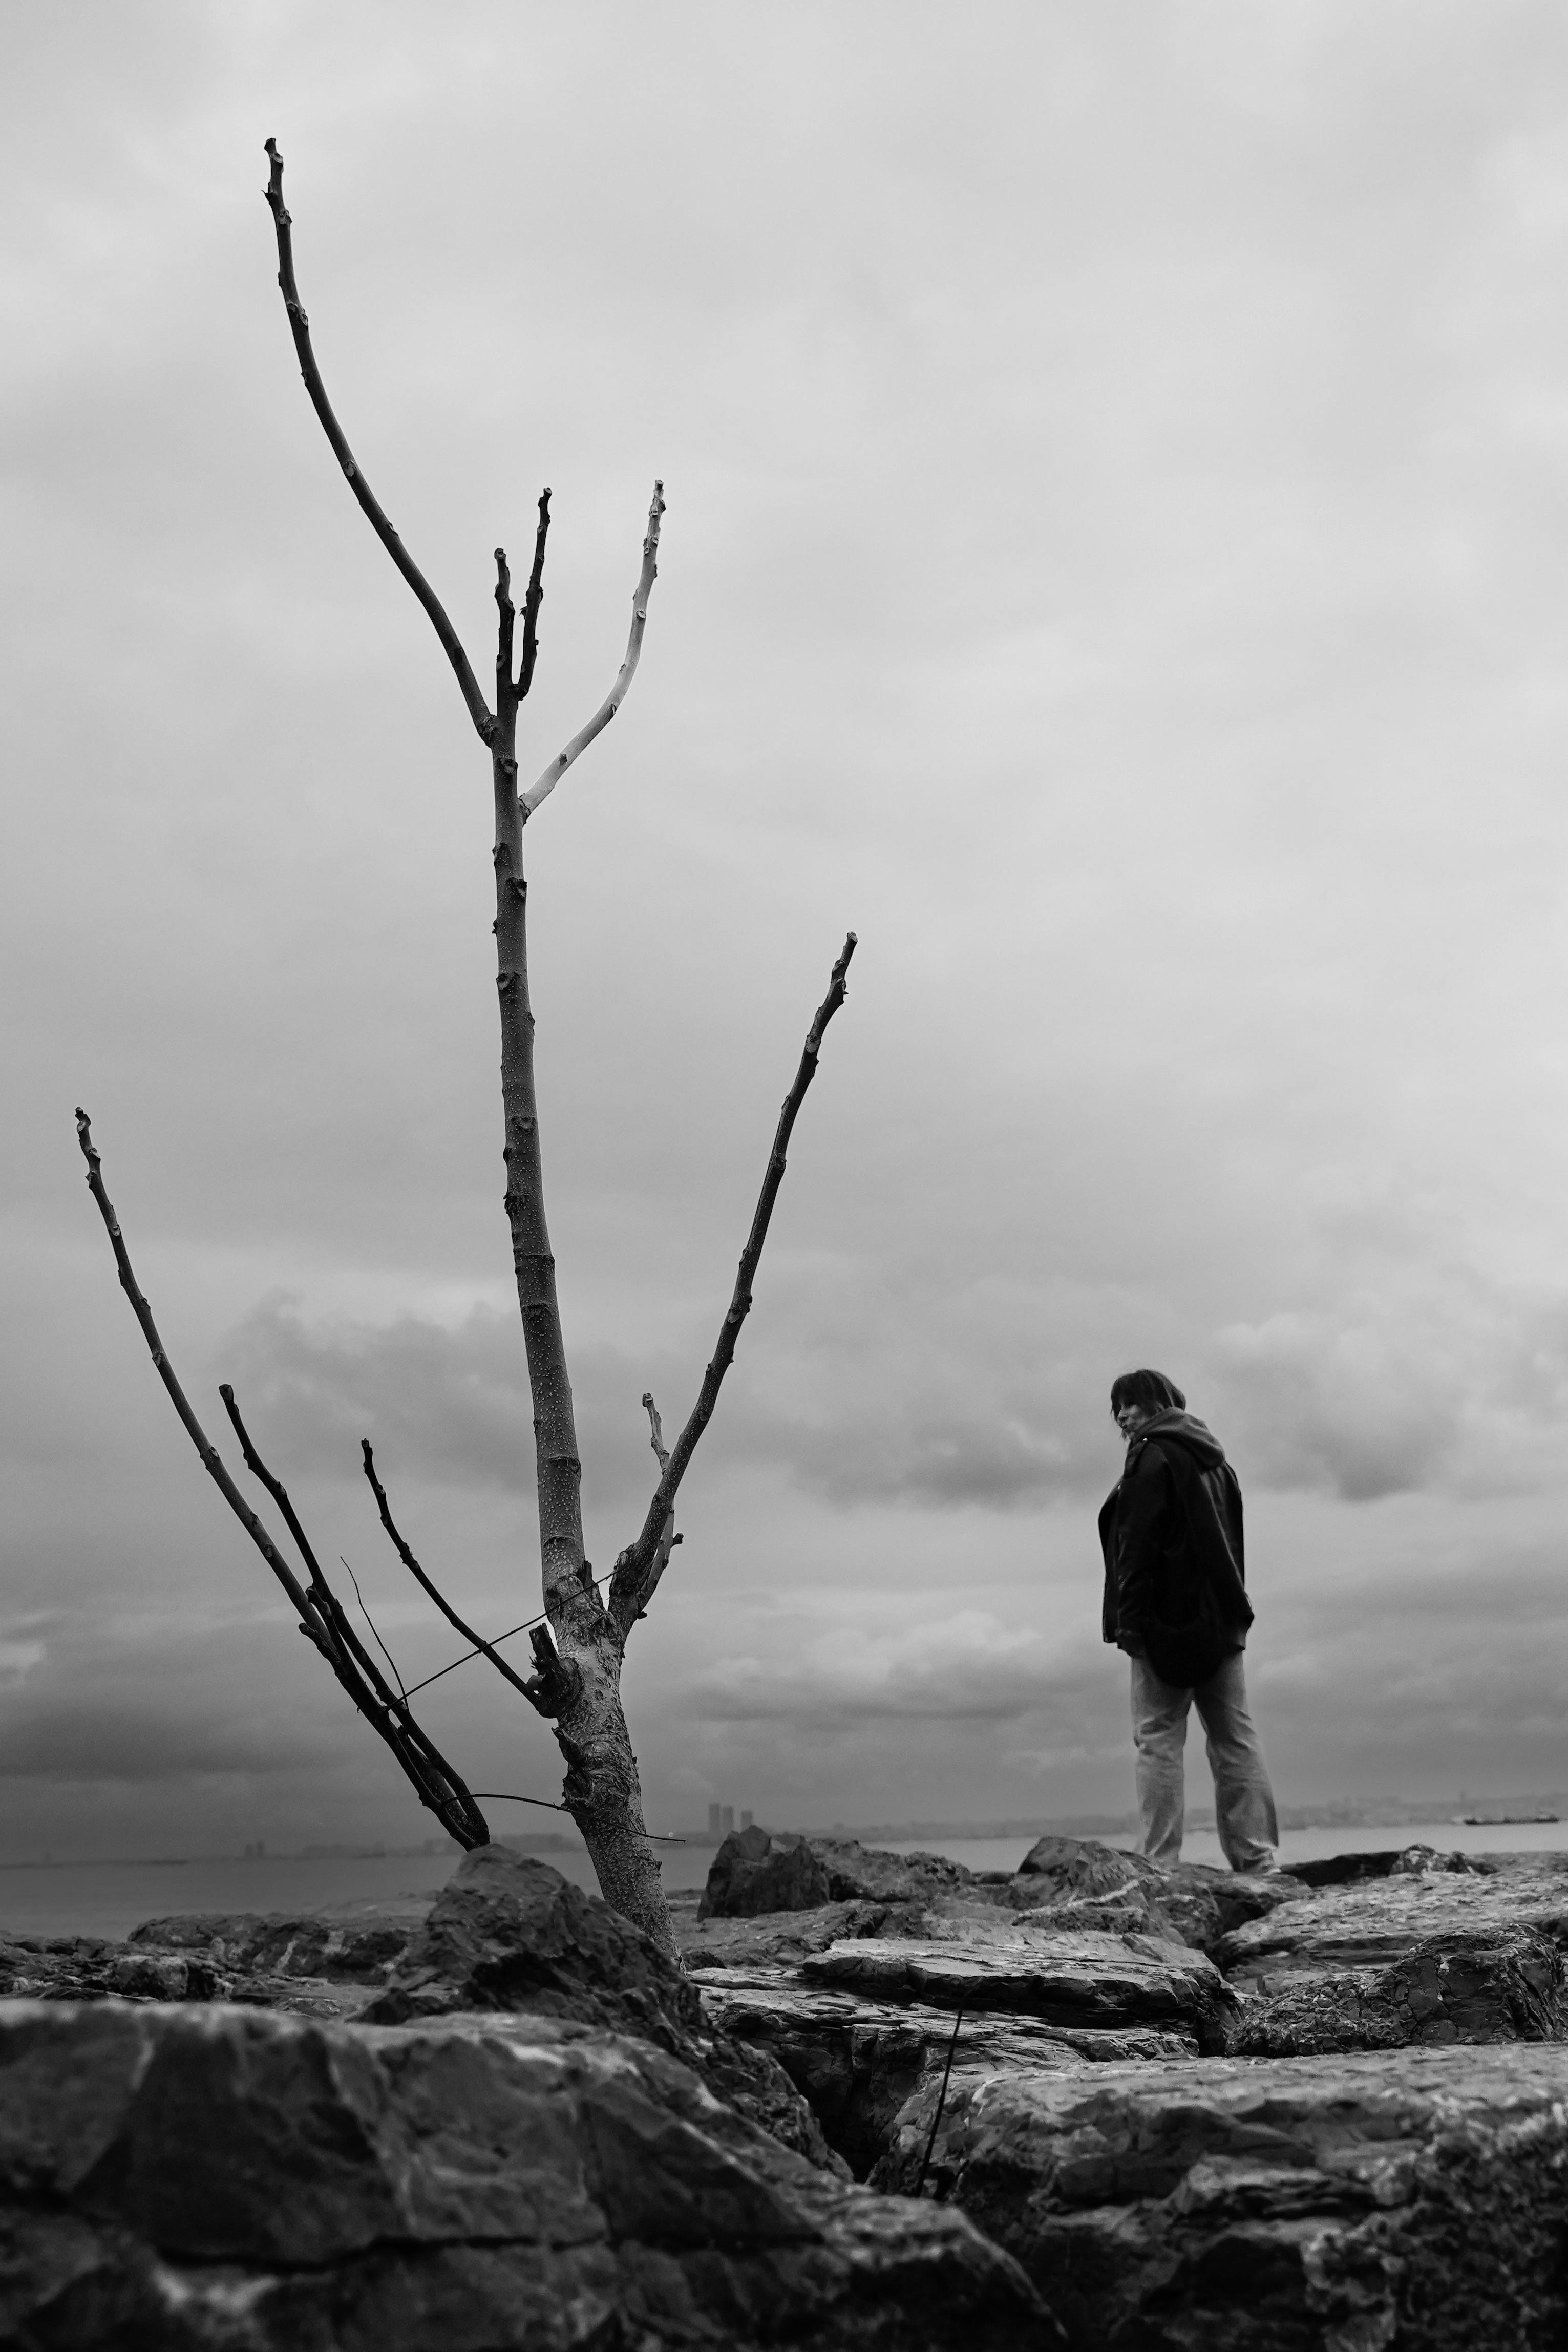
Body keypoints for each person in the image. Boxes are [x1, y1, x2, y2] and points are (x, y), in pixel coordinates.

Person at [1098, 1368, 1279, 1873]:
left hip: (1164, 1626)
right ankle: (1258, 1859)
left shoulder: (1150, 1456)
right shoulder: (1216, 1461)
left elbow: (1134, 1551)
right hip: (1221, 1622)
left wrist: (1130, 1629)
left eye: (1129, 1403)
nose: (1121, 1415)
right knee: (1234, 1738)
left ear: (1157, 1401)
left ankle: (1158, 1862)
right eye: (1115, 1408)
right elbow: (1232, 1544)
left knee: (1156, 1738)